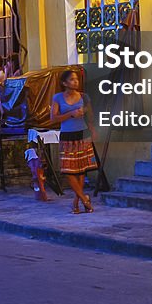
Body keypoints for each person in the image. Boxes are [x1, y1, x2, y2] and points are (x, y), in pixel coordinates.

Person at [50, 69, 97, 214]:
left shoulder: (84, 97)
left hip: (82, 135)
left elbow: (90, 116)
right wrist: (71, 114)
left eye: (76, 79)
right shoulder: (57, 98)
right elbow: (54, 118)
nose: (75, 82)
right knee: (69, 170)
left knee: (81, 170)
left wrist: (93, 130)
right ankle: (84, 199)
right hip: (67, 136)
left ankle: (77, 202)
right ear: (64, 83)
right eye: (71, 79)